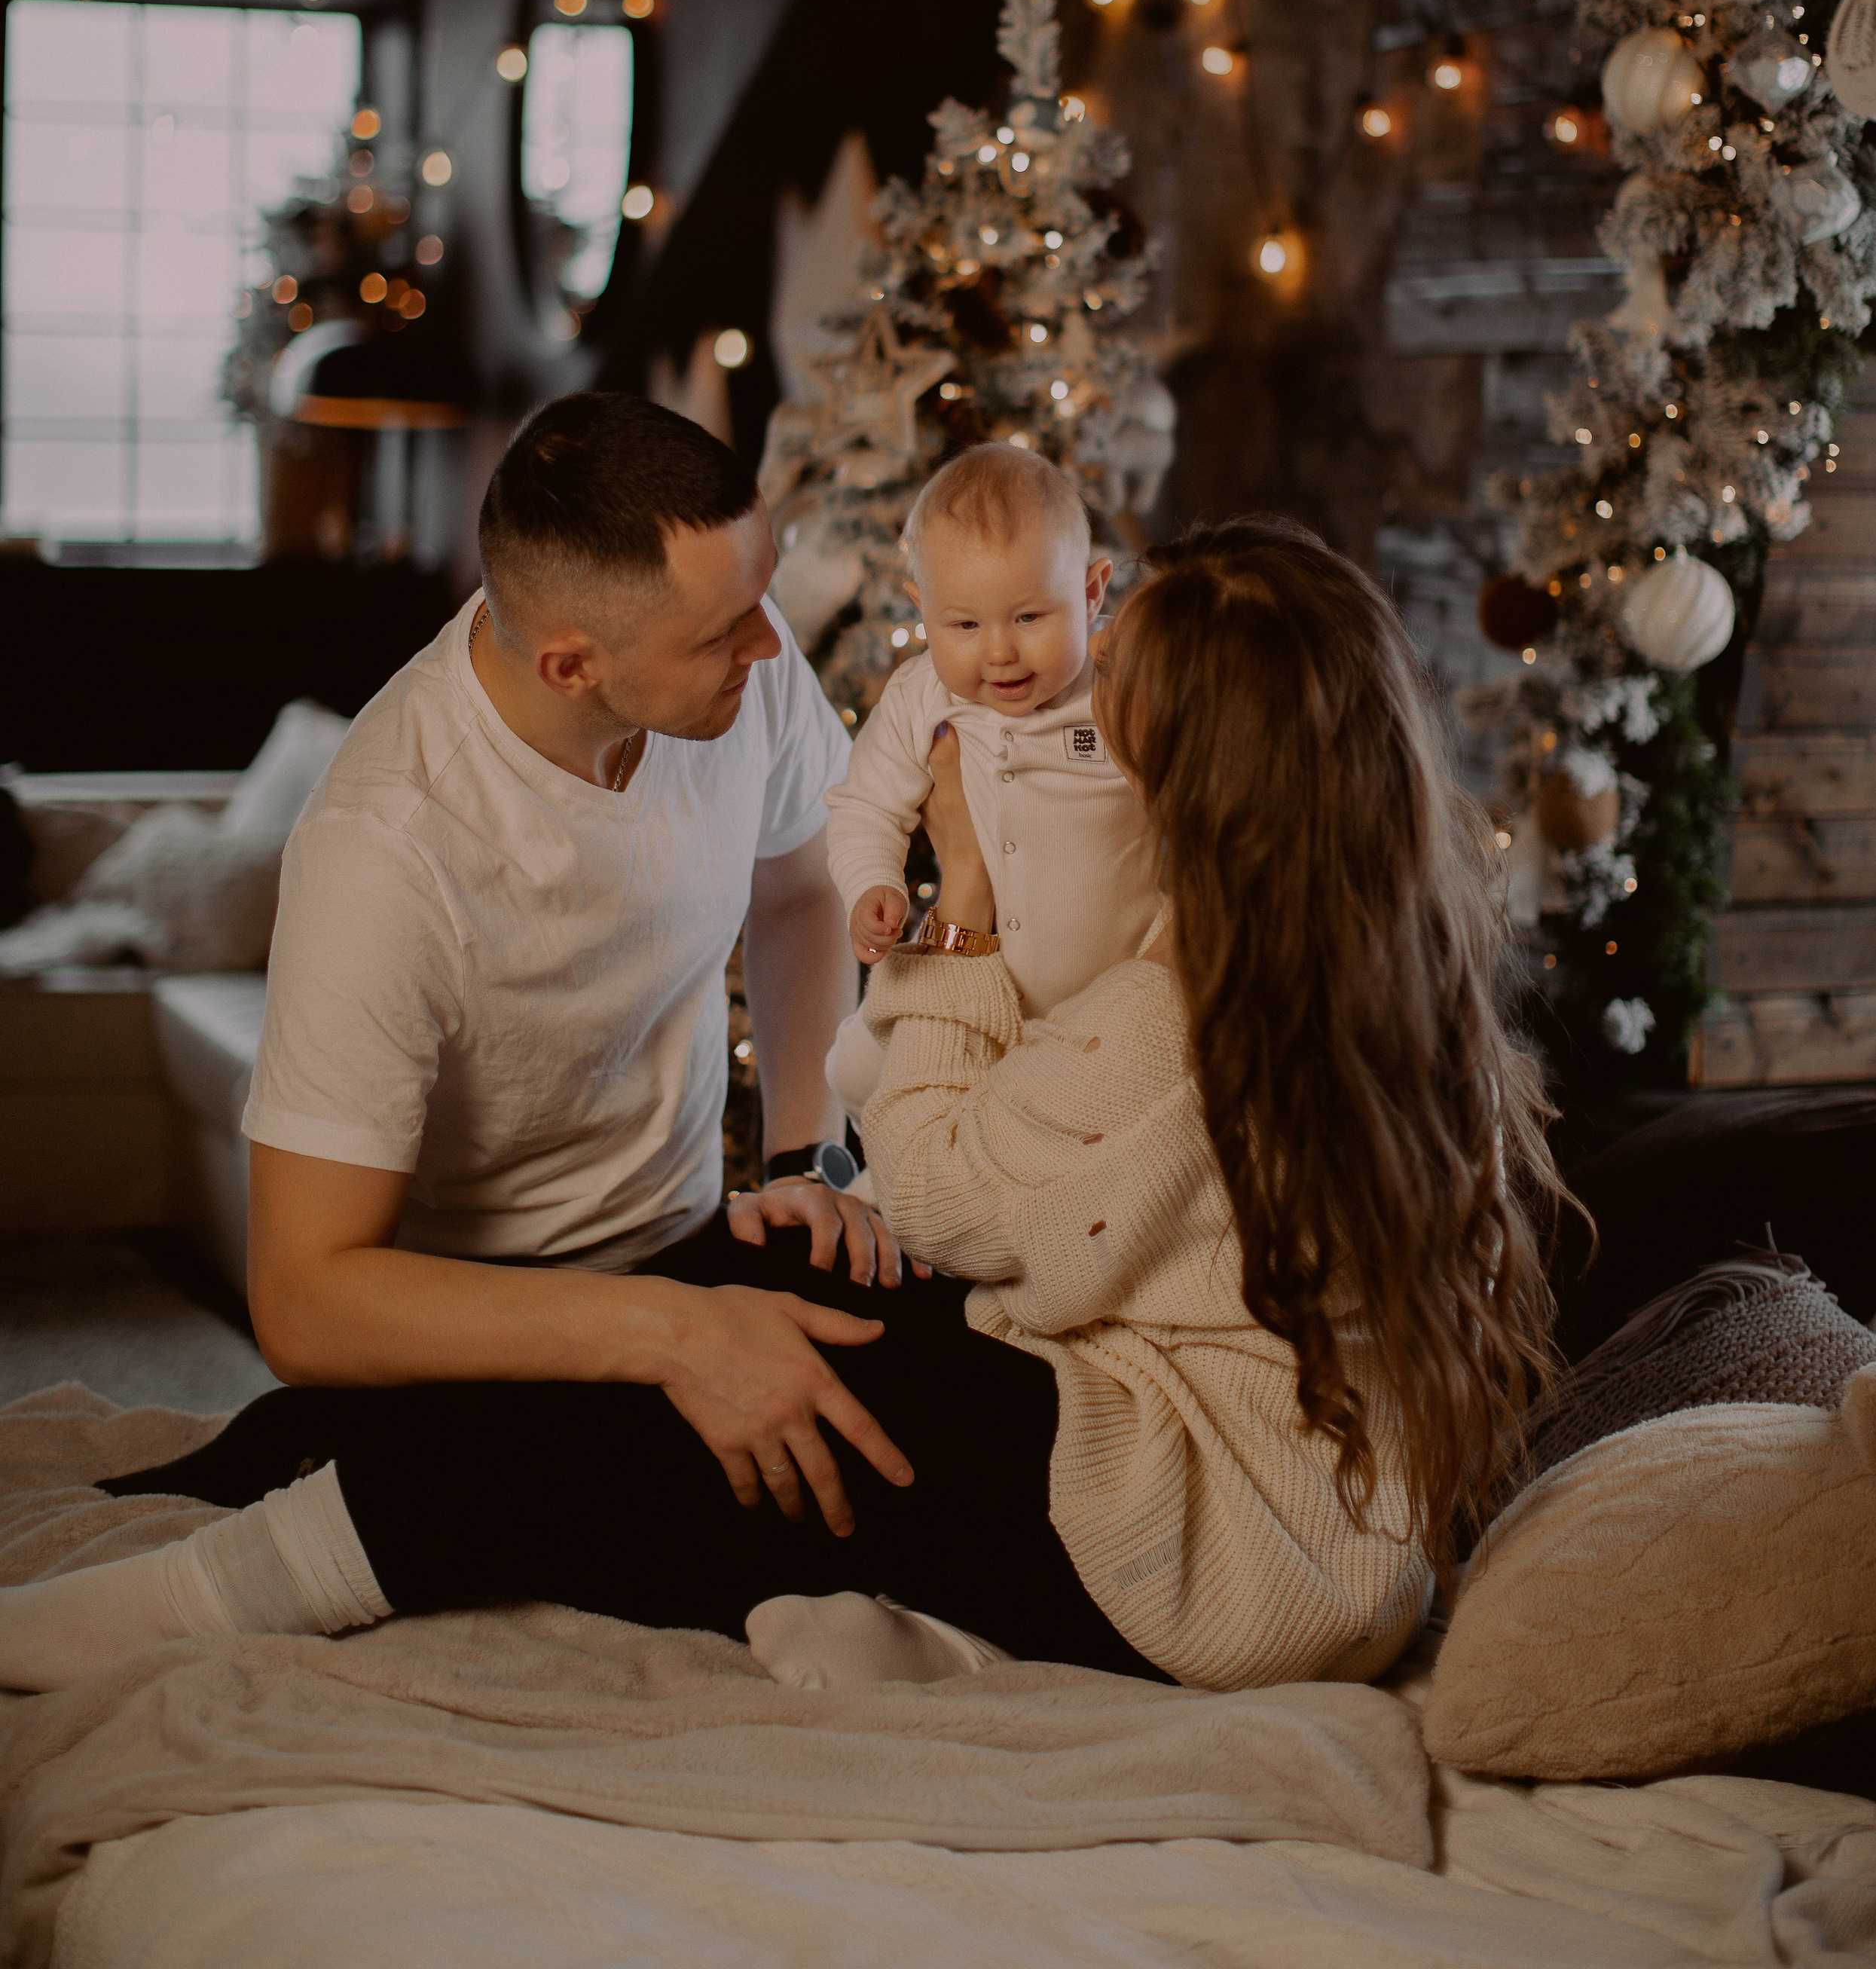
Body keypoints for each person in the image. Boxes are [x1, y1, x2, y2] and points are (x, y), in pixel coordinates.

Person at [0, 518, 1563, 1700]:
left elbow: (947, 1188)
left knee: (710, 1400)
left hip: (1217, 1554)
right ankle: (282, 1467)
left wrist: (958, 907)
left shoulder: (1184, 1019)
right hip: (1246, 1478)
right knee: (761, 1280)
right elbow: (1079, 1219)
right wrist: (853, 1204)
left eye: (1112, 715)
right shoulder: (1369, 967)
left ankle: (218, 1583)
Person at [245, 392, 927, 1527]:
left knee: (961, 1395)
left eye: (760, 601)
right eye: (723, 633)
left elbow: (804, 884)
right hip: (490, 1335)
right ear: (572, 667)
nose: (769, 645)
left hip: (698, 1247)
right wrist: (672, 1338)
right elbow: (305, 1303)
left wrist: (807, 1162)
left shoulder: (734, 655)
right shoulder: (383, 852)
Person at [822, 443, 1161, 1117]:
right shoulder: (921, 697)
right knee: (854, 1072)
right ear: (922, 610)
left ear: (1091, 593)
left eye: (1030, 617)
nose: (1000, 651)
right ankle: (878, 1165)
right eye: (965, 625)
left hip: (1107, 991)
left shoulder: (1123, 684)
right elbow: (865, 809)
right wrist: (872, 884)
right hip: (975, 975)